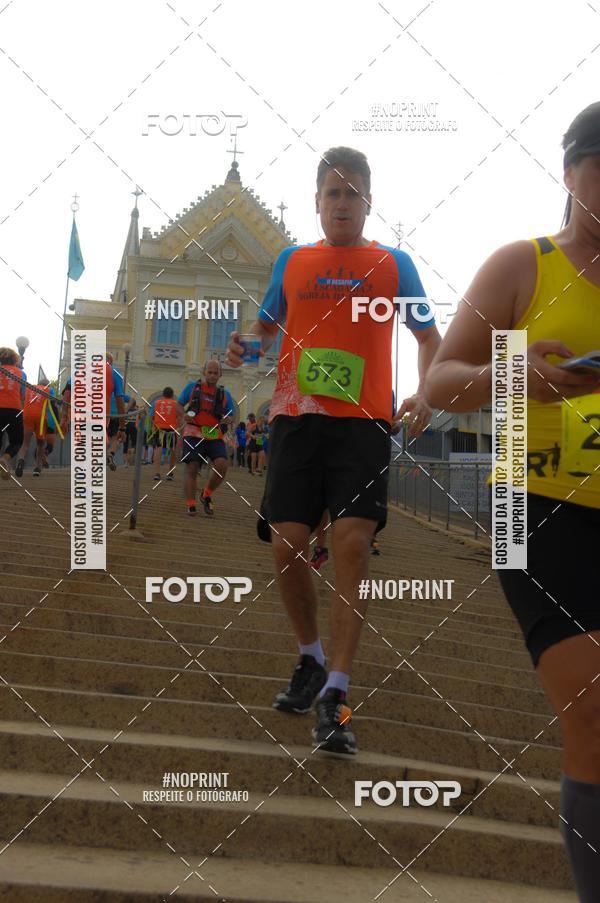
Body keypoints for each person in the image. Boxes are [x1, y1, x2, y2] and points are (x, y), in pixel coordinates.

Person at [424, 103, 600, 901]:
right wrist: (513, 372)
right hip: (533, 507)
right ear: (569, 172)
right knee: (594, 717)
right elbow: (440, 384)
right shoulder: (522, 264)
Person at [227, 146, 440, 754]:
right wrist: (244, 348)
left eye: (353, 193)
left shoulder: (394, 264)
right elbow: (264, 332)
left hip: (363, 424)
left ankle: (336, 696)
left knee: (350, 543)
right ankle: (311, 658)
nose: (342, 203)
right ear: (317, 203)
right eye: (332, 193)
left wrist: (426, 393)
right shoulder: (292, 261)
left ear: (368, 202)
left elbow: (429, 336)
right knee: (289, 545)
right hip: (295, 419)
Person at [179, 360, 234, 516]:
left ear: (220, 374)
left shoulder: (224, 394)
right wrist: (183, 415)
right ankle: (190, 504)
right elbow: (179, 404)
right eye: (209, 372)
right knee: (192, 466)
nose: (212, 375)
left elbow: (231, 415)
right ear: (204, 372)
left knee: (222, 465)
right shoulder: (192, 387)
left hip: (213, 433)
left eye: (215, 373)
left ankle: (206, 493)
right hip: (193, 431)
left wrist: (228, 419)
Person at [15, 378, 59, 477]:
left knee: (25, 443)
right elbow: (53, 406)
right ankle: (37, 468)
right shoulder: (48, 390)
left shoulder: (29, 388)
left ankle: (21, 460)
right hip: (41, 417)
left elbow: (22, 398)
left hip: (27, 415)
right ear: (47, 385)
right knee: (40, 444)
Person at [0, 347, 26, 480]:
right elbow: (23, 395)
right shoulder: (21, 373)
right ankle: (5, 459)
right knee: (16, 441)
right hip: (13, 410)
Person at [149, 387, 183, 482]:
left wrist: (154, 424)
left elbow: (151, 416)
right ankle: (170, 473)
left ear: (163, 395)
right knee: (172, 450)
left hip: (159, 429)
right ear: (172, 395)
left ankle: (157, 473)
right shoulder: (176, 404)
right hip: (172, 429)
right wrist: (180, 430)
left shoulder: (156, 403)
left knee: (158, 449)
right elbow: (180, 418)